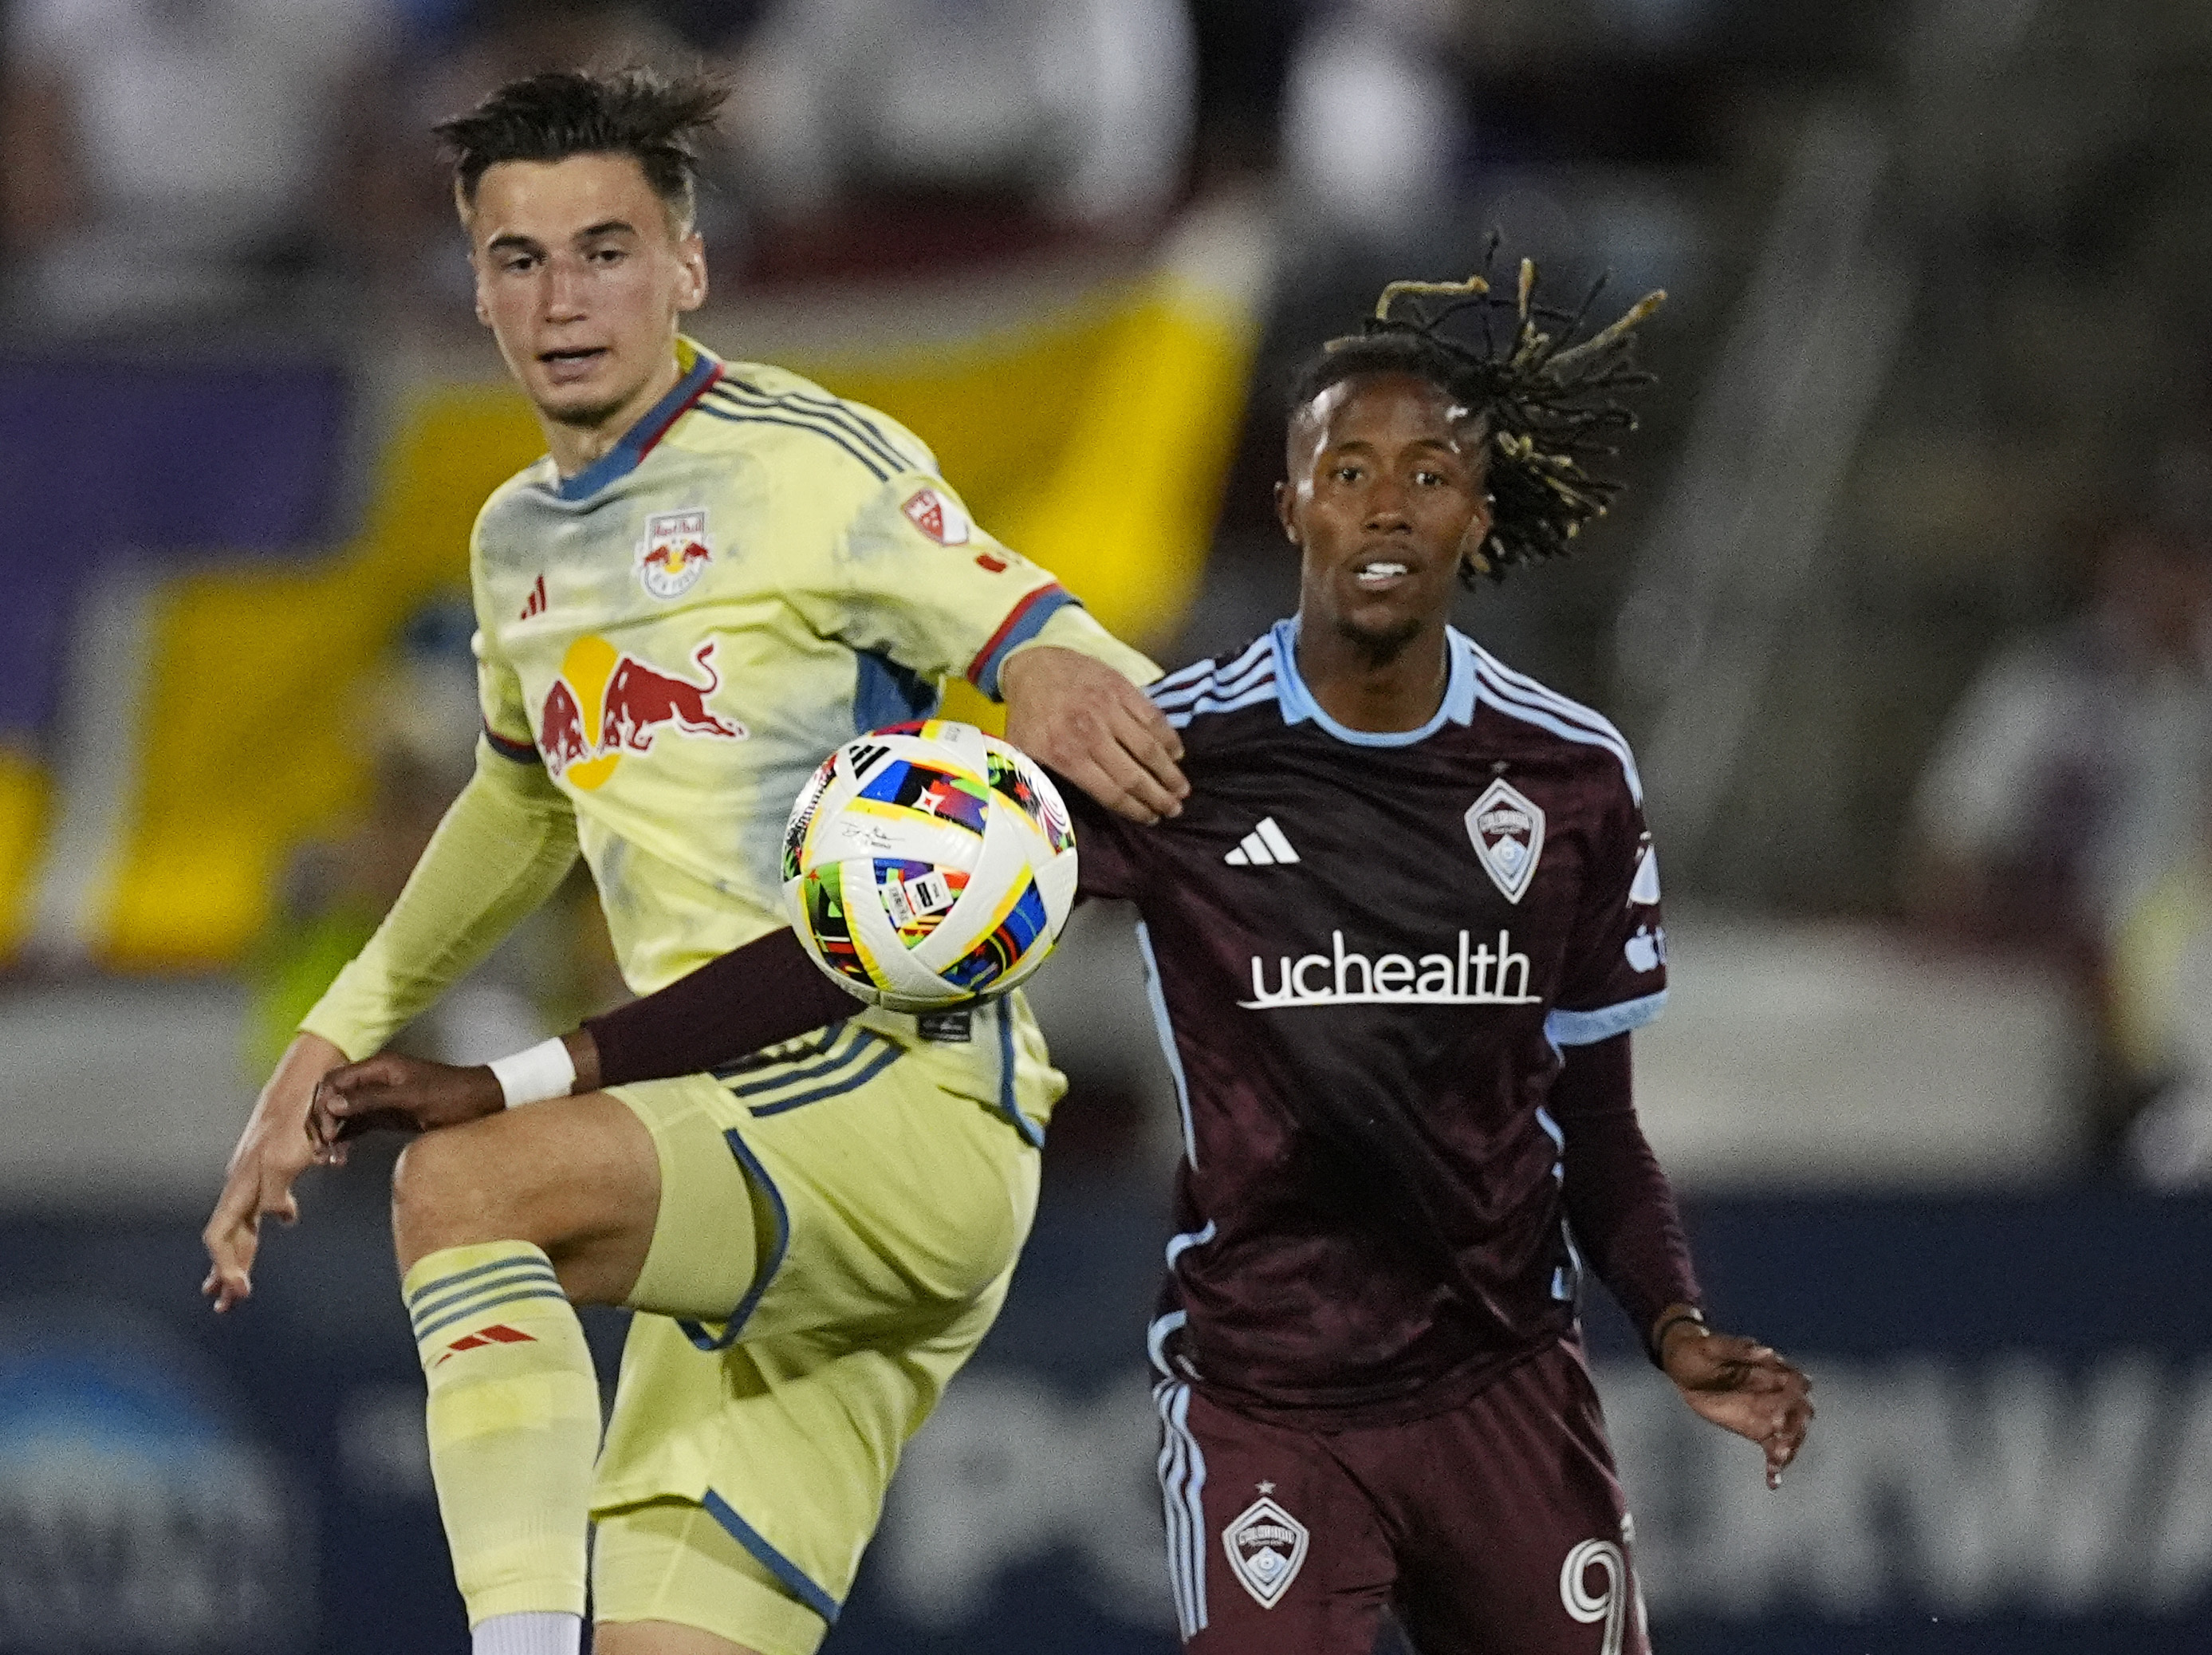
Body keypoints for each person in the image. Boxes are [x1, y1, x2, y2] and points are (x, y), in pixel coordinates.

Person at [325, 258, 1813, 1653]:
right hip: (1267, 1401)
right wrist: (543, 1073)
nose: (1385, 511)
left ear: (1479, 518)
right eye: (1345, 474)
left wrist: (1672, 1322)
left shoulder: (1569, 776)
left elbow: (1595, 1117)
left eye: (1428, 477)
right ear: (1288, 504)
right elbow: (855, 953)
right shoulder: (1172, 755)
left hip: (1507, 1385)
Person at [199, 67, 1186, 1655]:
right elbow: (519, 811)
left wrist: (1059, 666)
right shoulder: (515, 539)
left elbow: (1028, 629)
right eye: (521, 258)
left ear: (689, 265)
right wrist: (330, 1035)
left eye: (605, 248)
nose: (563, 297)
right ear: (477, 284)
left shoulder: (815, 462)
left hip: (891, 1095)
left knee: (464, 1188)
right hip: (730, 1158)